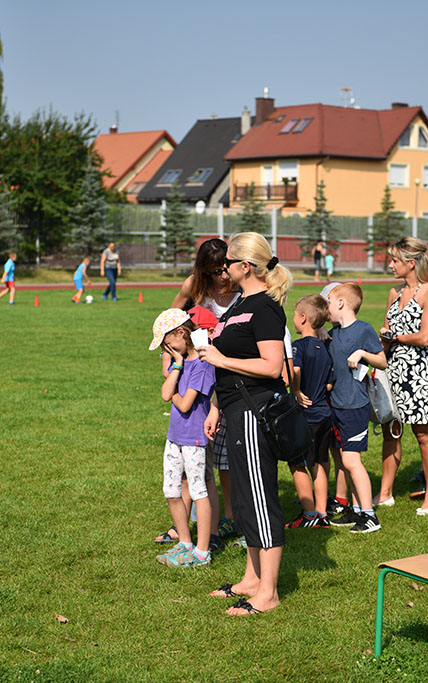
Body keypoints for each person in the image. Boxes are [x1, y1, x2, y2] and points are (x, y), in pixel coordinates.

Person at [200, 231, 292, 615]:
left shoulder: (265, 307)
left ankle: (267, 592)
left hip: (256, 413)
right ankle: (251, 578)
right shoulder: (240, 302)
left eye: (230, 261)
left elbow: (272, 367)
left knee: (260, 498)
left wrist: (221, 361)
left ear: (246, 266)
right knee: (243, 499)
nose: (224, 267)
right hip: (235, 411)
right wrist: (218, 406)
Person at [170, 238, 240, 542]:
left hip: (232, 374)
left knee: (224, 457)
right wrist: (170, 360)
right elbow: (169, 322)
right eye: (215, 271)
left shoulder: (242, 285)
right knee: (193, 454)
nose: (223, 276)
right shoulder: (194, 287)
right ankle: (185, 525)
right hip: (199, 378)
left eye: (226, 268)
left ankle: (227, 518)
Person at [381, 237, 428, 516]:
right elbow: (386, 328)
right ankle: (384, 494)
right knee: (391, 432)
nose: (390, 264)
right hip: (392, 370)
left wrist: (394, 336)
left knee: (424, 435)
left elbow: (425, 337)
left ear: (411, 263)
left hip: (418, 373)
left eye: (395, 260)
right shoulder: (393, 292)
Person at [149, 308, 216, 567]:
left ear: (181, 332)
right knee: (171, 489)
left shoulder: (202, 364)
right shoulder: (181, 363)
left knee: (198, 489)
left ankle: (201, 552)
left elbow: (185, 403)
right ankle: (185, 543)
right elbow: (167, 393)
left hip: (194, 437)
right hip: (174, 436)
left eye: (167, 344)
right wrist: (176, 367)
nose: (166, 350)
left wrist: (173, 388)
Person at [324, 283, 388, 533]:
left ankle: (370, 516)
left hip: (354, 406)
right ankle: (357, 509)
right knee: (345, 458)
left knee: (352, 461)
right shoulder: (333, 333)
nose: (326, 306)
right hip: (337, 406)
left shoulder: (363, 330)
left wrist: (362, 353)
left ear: (341, 303)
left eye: (329, 301)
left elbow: (381, 361)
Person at [286, 294, 334, 529]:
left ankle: (309, 513)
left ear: (303, 318)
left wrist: (296, 391)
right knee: (319, 462)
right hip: (325, 413)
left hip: (307, 416)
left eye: (295, 315)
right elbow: (328, 383)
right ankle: (323, 513)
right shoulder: (324, 349)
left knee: (298, 463)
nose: (293, 319)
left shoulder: (299, 346)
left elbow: (295, 371)